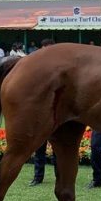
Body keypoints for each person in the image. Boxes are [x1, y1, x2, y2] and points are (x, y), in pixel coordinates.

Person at [28, 38, 57, 186]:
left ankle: (61, 176)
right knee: (39, 147)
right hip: (41, 115)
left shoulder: (60, 68)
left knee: (60, 149)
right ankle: (38, 177)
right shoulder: (37, 68)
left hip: (57, 115)